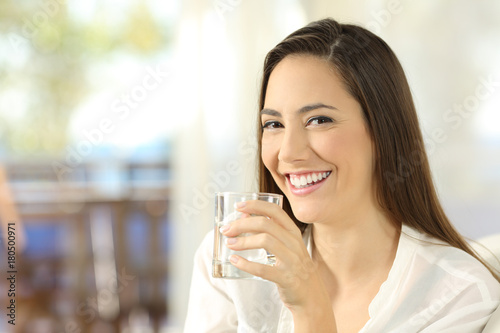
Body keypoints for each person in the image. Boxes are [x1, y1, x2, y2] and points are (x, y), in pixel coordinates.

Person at [184, 18, 500, 332]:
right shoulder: (235, 260)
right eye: (274, 124)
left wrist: (310, 309)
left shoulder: (458, 294)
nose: (288, 153)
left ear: (382, 131)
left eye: (319, 120)